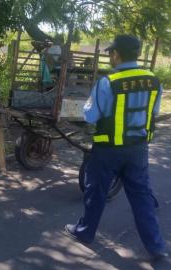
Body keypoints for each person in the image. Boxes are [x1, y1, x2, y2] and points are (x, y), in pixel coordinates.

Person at [65, 35, 168, 261]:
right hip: (138, 149)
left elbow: (91, 115)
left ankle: (85, 232)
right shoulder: (154, 81)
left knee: (96, 191)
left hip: (108, 149)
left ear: (117, 54)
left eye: (111, 53)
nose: (110, 56)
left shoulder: (108, 82)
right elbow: (155, 113)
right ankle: (156, 246)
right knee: (142, 197)